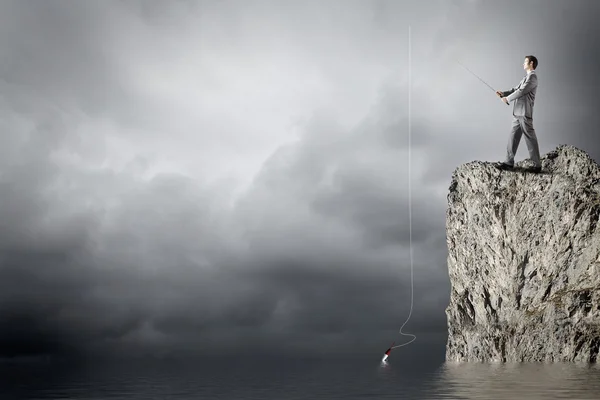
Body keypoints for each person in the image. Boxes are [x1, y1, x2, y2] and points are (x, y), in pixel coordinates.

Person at [495, 55, 541, 173]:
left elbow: (522, 91)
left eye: (525, 62)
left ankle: (537, 165)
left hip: (525, 114)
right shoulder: (525, 77)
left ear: (531, 63)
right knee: (512, 138)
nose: (523, 64)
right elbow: (515, 89)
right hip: (517, 113)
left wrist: (507, 99)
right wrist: (503, 93)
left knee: (530, 138)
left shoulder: (533, 77)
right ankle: (508, 163)